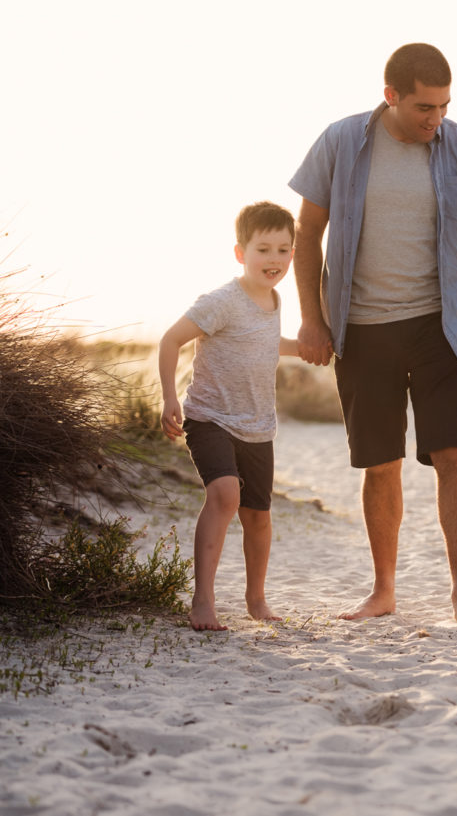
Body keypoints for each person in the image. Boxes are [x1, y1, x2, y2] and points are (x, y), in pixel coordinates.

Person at [288, 42, 457, 626]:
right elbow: (306, 234)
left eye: (445, 106)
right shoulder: (341, 141)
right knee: (381, 463)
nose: (436, 118)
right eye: (425, 106)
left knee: (453, 455)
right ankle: (384, 591)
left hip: (439, 327)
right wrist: (312, 318)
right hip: (363, 327)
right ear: (391, 95)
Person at [158, 201, 300, 631]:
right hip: (209, 417)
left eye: (282, 250)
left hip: (258, 427)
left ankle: (256, 600)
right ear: (241, 253)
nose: (273, 259)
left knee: (257, 516)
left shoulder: (274, 300)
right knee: (224, 496)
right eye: (263, 249)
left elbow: (263, 342)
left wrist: (309, 347)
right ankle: (203, 601)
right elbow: (170, 341)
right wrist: (169, 399)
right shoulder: (221, 301)